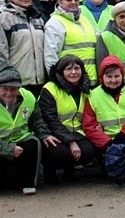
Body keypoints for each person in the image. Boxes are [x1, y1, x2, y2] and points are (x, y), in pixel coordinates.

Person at [0, 64, 58, 195]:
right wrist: (8, 149)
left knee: (33, 143)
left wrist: (44, 134)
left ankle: (27, 183)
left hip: (19, 140)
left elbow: (36, 120)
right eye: (5, 89)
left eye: (13, 89)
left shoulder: (28, 97)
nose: (9, 93)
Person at [83, 56, 125, 175]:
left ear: (122, 76)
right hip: (105, 140)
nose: (113, 80)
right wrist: (107, 142)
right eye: (109, 76)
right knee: (110, 173)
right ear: (102, 77)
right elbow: (89, 126)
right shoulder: (93, 95)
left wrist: (124, 133)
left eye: (117, 76)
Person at [38, 55, 97, 184]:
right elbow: (50, 119)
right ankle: (50, 173)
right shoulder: (50, 89)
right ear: (61, 71)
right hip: (53, 134)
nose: (74, 72)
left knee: (89, 151)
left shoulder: (85, 88)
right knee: (59, 152)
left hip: (78, 133)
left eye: (77, 68)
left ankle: (69, 171)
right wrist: (70, 142)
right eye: (69, 69)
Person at [0, 0, 46, 96]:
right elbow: (0, 50)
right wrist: (8, 75)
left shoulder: (38, 19)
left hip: (39, 80)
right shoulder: (5, 18)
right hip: (18, 80)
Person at [44, 0, 98, 85]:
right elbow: (51, 56)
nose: (73, 2)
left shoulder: (85, 20)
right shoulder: (55, 23)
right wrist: (57, 82)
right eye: (69, 0)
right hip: (70, 83)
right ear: (60, 2)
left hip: (90, 81)